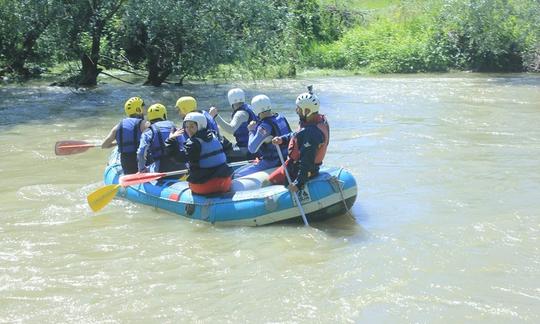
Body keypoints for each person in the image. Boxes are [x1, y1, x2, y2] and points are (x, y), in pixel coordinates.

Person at [268, 88, 329, 193]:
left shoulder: (311, 133)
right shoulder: (315, 120)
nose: (296, 111)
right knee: (270, 180)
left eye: (299, 109)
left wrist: (298, 183)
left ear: (307, 111)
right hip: (293, 165)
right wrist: (283, 139)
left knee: (269, 183)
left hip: (301, 170)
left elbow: (306, 162)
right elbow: (297, 135)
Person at [165, 112, 233, 195]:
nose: (188, 130)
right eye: (186, 127)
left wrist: (171, 141)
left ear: (200, 125)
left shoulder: (193, 143)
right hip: (225, 183)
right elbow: (229, 148)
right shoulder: (216, 136)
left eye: (192, 126)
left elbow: (178, 158)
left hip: (204, 187)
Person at [233, 94, 292, 178]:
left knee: (237, 175)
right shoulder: (281, 118)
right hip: (286, 158)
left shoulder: (265, 127)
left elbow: (252, 149)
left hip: (273, 162)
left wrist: (251, 130)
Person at [101, 96, 149, 174]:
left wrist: (118, 143)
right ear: (138, 109)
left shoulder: (117, 127)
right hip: (142, 164)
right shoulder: (144, 124)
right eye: (143, 105)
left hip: (127, 165)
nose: (145, 107)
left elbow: (104, 145)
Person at [208, 88, 258, 162]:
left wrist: (215, 116)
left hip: (247, 148)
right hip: (252, 146)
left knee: (221, 153)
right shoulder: (249, 107)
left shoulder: (240, 114)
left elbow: (231, 129)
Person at [137, 103, 184, 173]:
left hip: (161, 169)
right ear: (164, 115)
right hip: (181, 167)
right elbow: (183, 146)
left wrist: (142, 168)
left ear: (149, 118)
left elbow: (141, 152)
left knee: (148, 167)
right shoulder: (175, 128)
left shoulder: (148, 132)